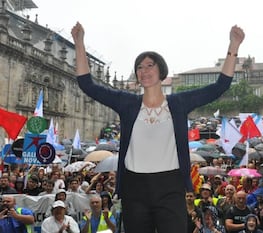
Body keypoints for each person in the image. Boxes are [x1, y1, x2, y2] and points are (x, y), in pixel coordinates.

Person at [71, 21, 244, 233]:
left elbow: (219, 86)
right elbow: (87, 84)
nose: (144, 70)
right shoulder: (127, 103)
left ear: (161, 71)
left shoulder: (179, 103)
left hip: (170, 186)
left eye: (150, 65)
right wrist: (79, 43)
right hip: (134, 188)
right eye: (139, 67)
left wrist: (233, 46)